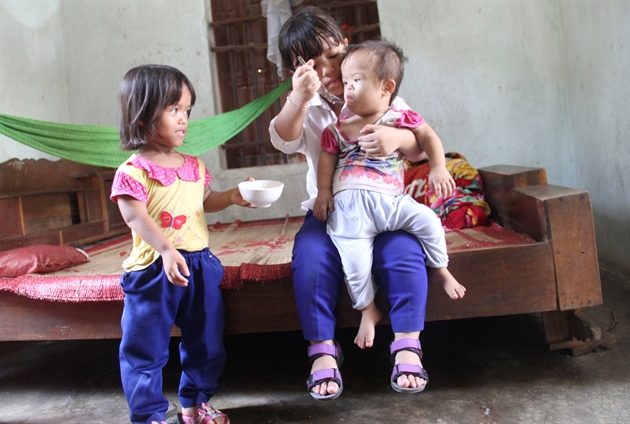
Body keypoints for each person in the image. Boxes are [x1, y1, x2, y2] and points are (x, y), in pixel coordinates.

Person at [269, 6, 450, 399]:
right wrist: (299, 97)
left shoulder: (381, 92)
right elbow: (282, 137)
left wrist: (397, 140)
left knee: (403, 251)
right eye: (314, 66)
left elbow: (420, 147)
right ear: (296, 73)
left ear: (346, 48)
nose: (330, 71)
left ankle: (407, 345)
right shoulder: (308, 105)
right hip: (330, 210)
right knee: (312, 258)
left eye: (333, 57)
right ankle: (322, 352)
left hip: (386, 208)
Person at [111, 64, 249, 424]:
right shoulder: (133, 171)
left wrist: (232, 195)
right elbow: (135, 216)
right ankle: (150, 415)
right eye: (173, 109)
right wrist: (165, 249)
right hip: (154, 270)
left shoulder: (193, 165)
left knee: (206, 341)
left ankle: (195, 404)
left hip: (199, 265)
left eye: (187, 110)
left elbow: (205, 200)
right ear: (142, 116)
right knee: (145, 350)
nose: (184, 119)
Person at [313, 39, 466, 359]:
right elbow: (326, 159)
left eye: (356, 80)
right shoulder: (338, 126)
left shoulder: (399, 114)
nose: (348, 87)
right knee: (353, 264)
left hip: (391, 202)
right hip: (350, 211)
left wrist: (438, 167)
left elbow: (428, 136)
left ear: (386, 87)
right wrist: (324, 191)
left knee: (428, 220)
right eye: (346, 80)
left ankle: (439, 267)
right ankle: (368, 309)